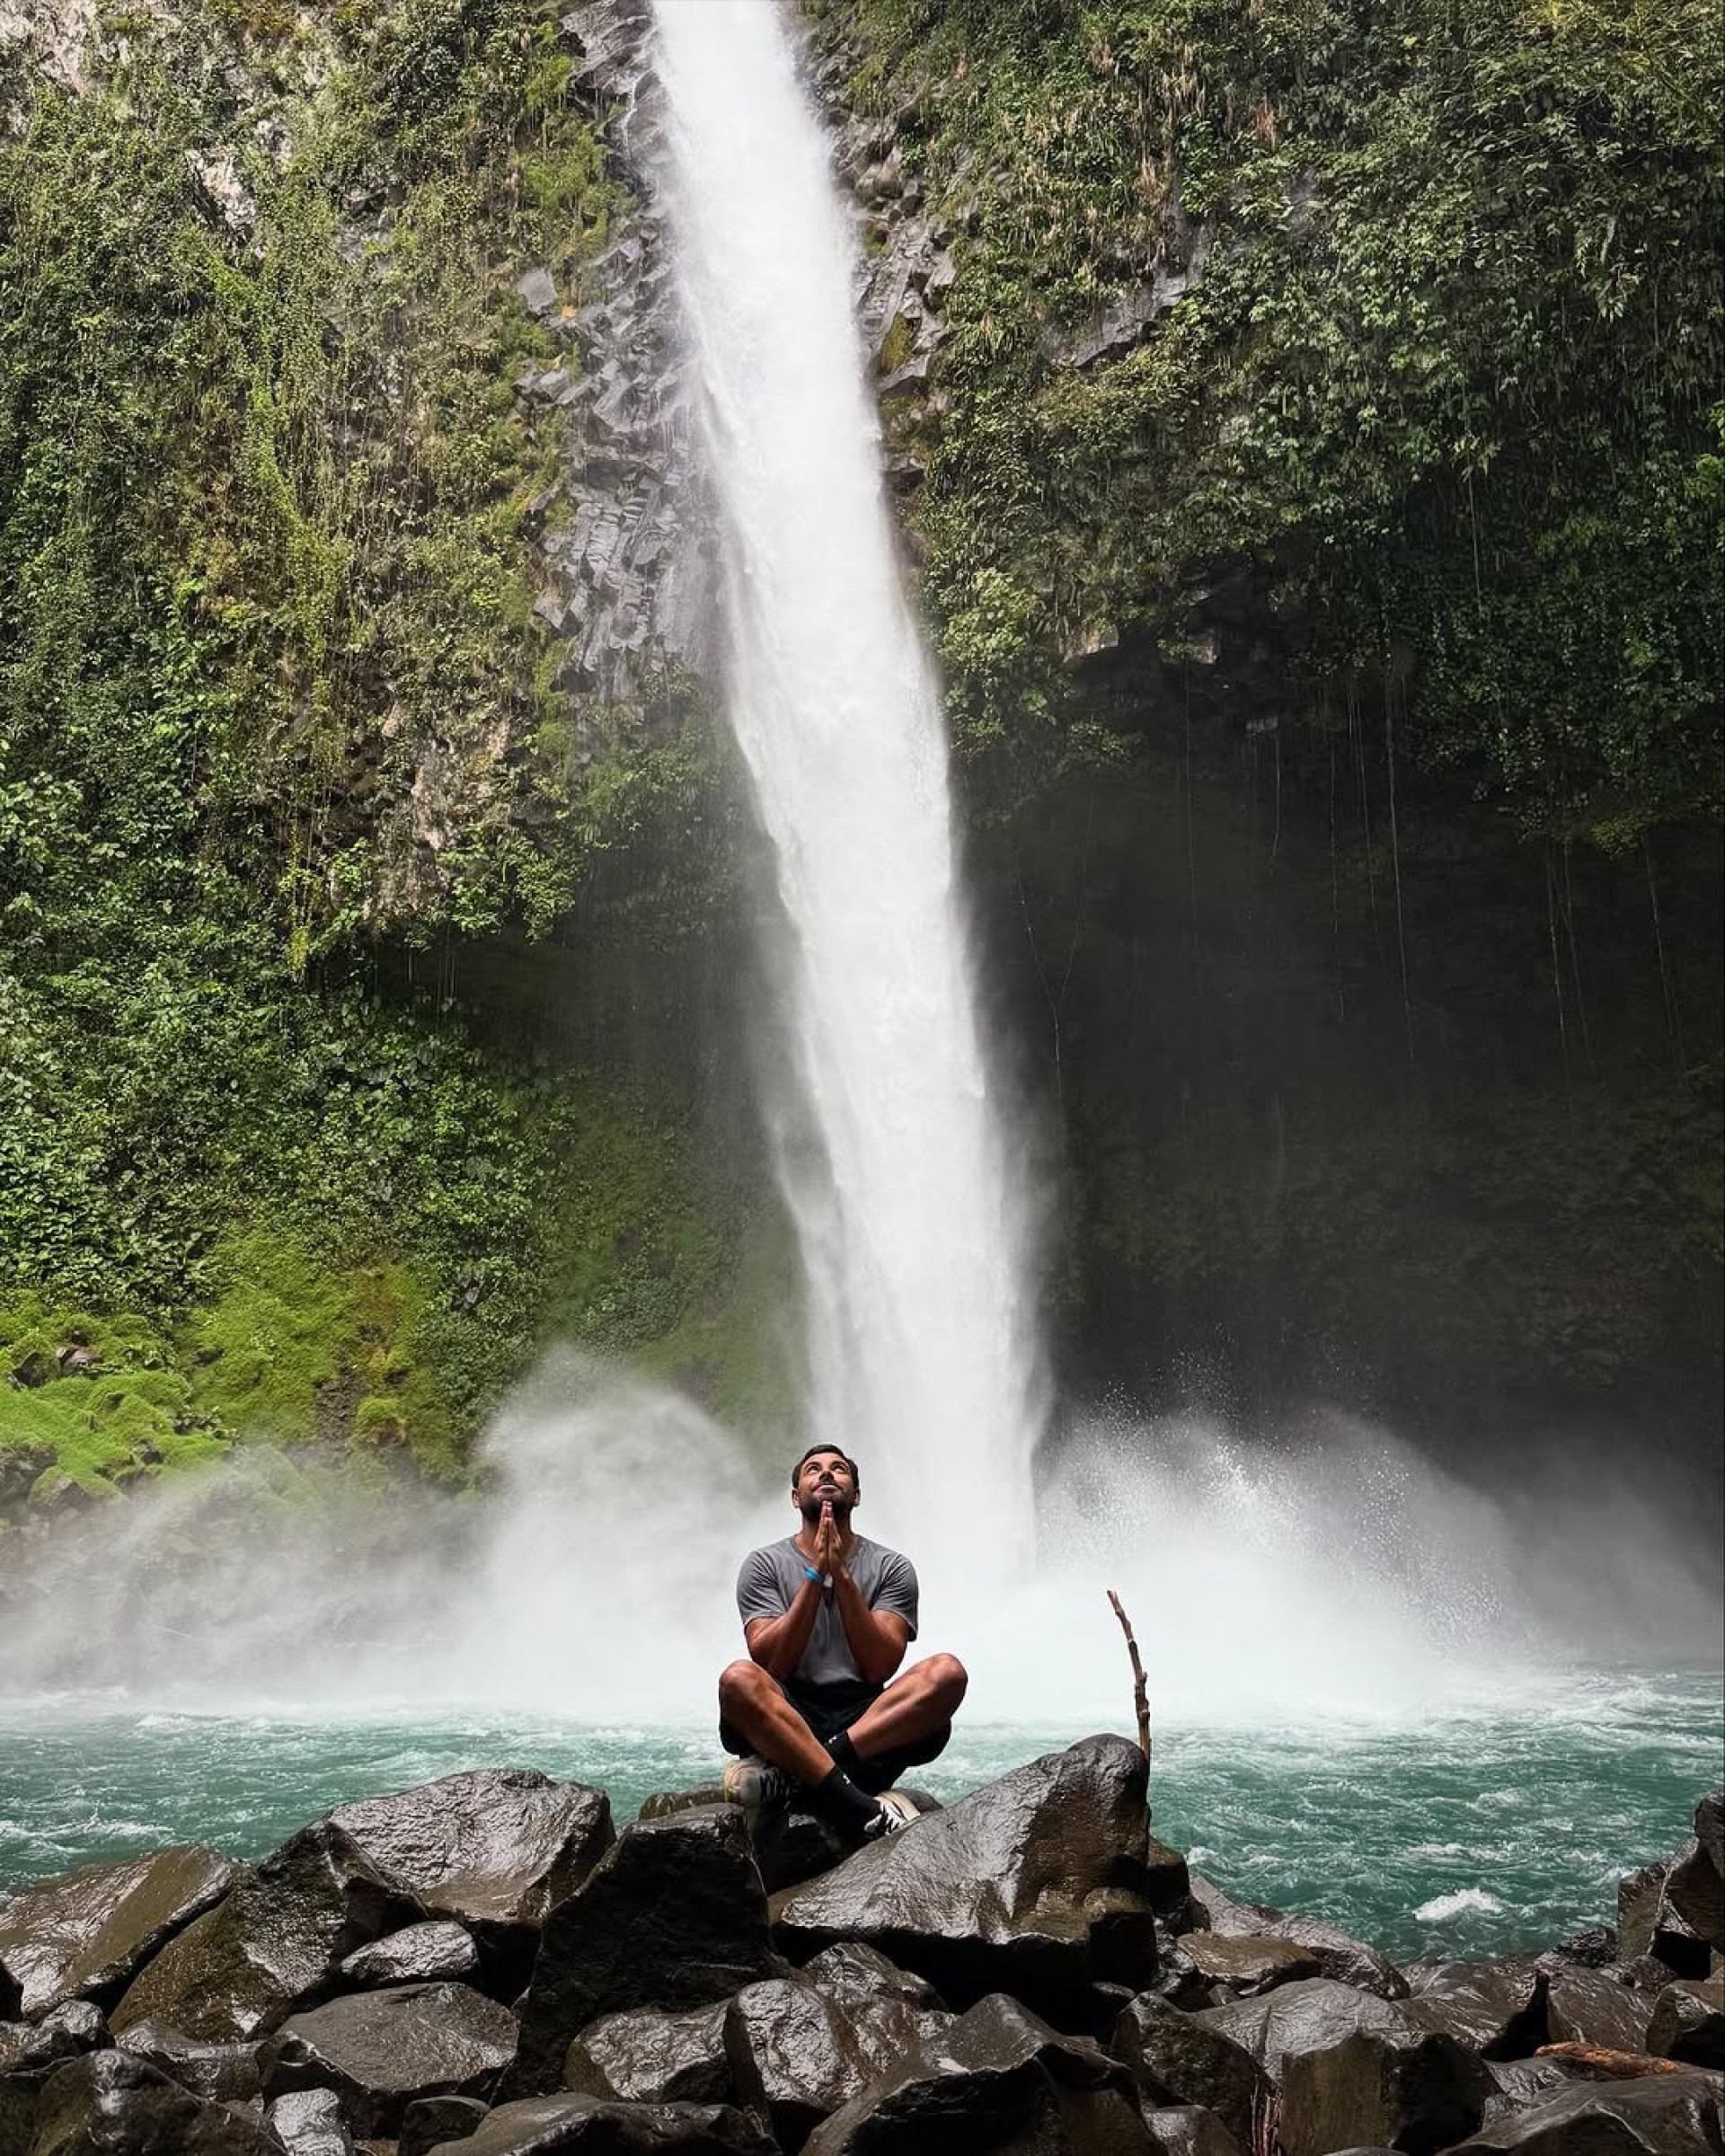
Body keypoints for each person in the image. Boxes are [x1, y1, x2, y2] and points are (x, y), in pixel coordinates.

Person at [718, 1443, 968, 1842]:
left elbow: (879, 1667)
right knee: (737, 1680)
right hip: (790, 1712)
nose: (827, 1474)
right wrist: (816, 1575)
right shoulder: (762, 1564)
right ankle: (861, 1809)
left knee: (948, 1674)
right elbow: (773, 1665)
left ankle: (799, 1776)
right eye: (813, 1469)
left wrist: (843, 1576)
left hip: (865, 1721)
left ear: (856, 1494)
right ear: (796, 1497)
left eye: (839, 1469)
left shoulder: (892, 1567)